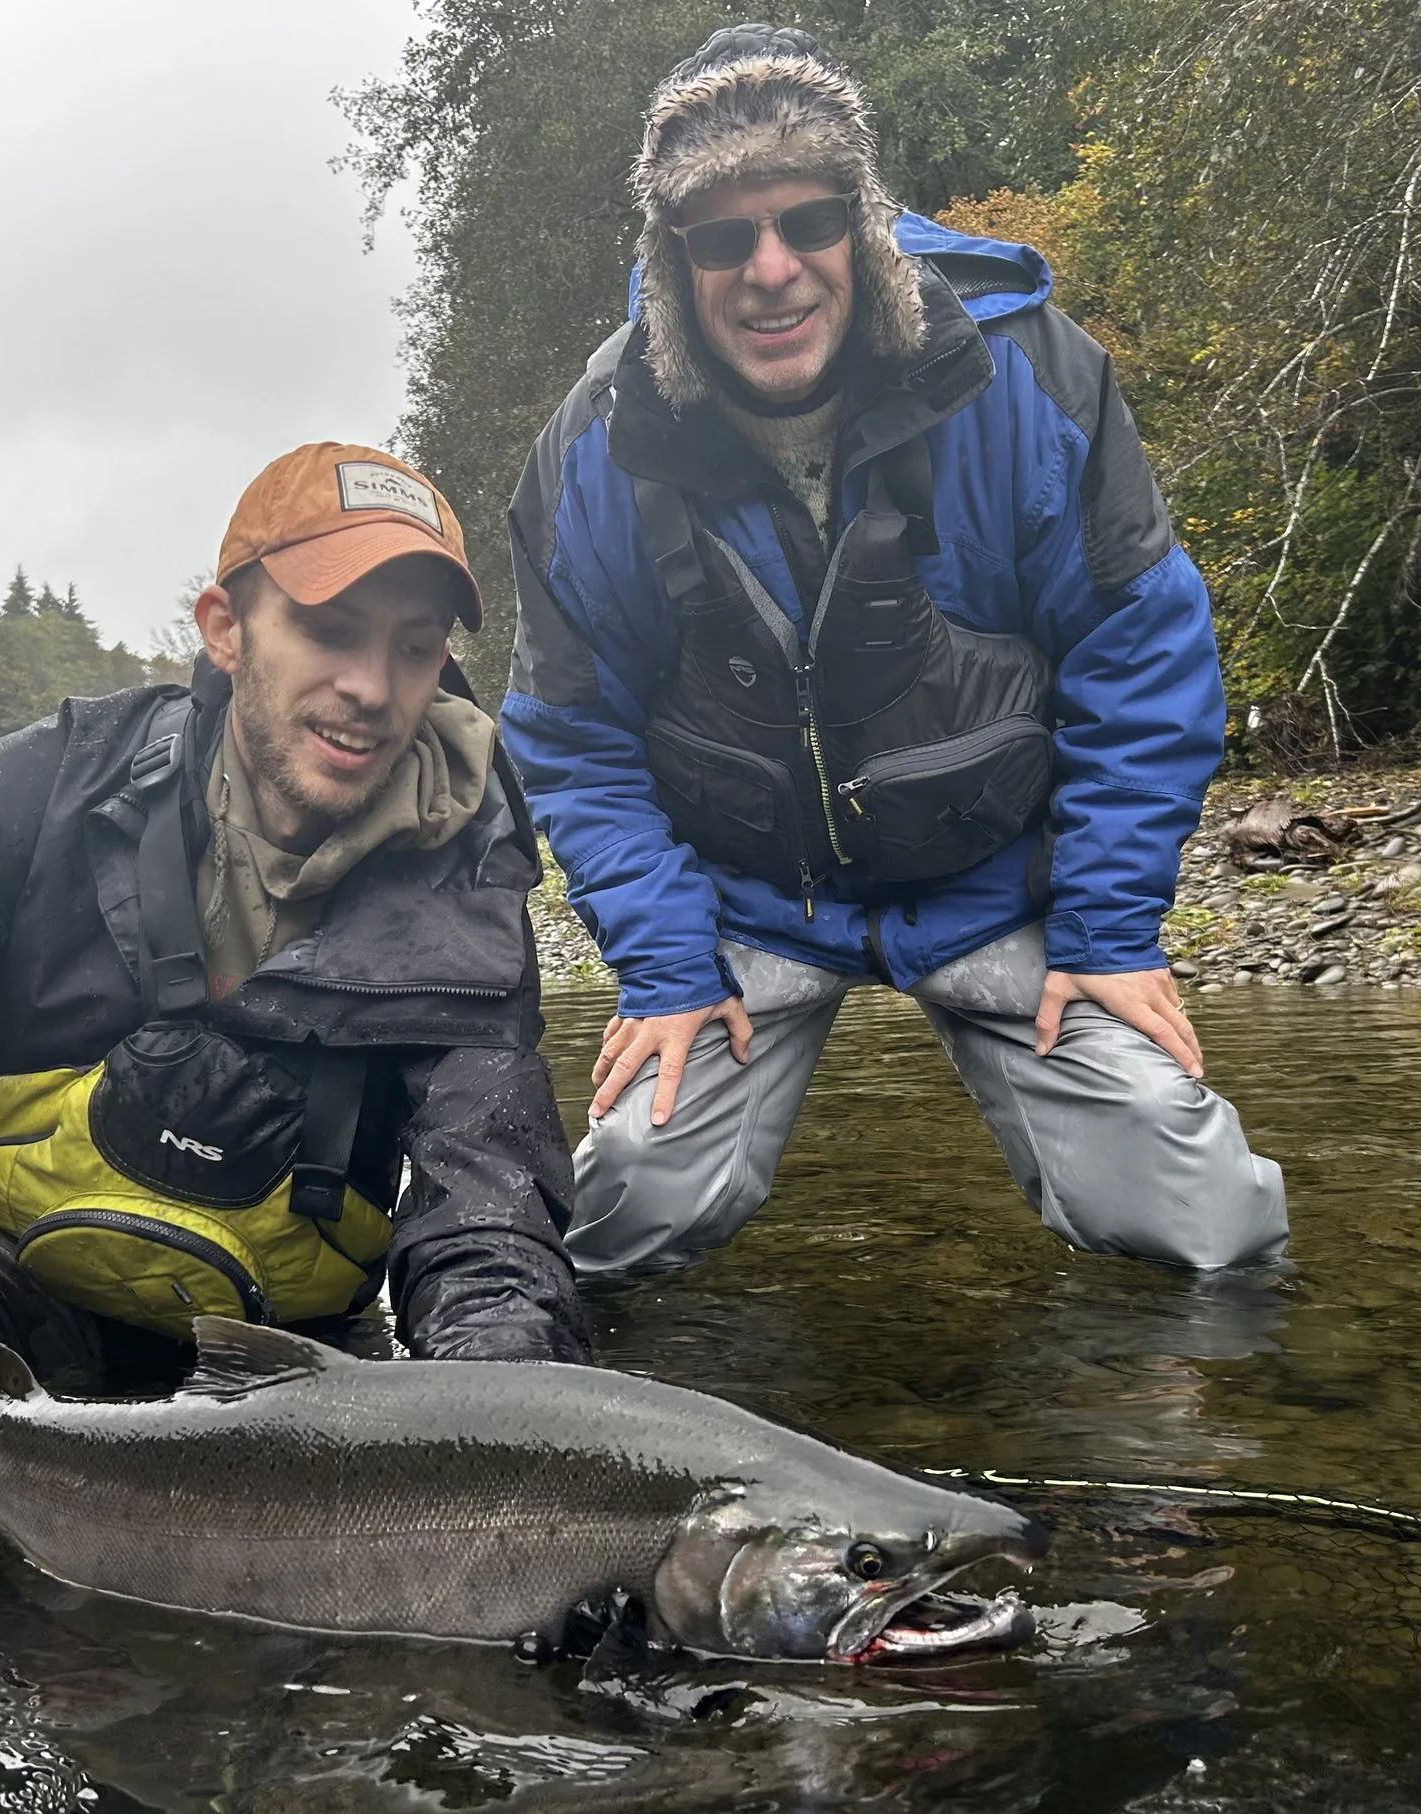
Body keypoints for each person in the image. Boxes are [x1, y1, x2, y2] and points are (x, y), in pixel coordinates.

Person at [501, 25, 1289, 1277]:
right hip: (746, 905)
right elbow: (570, 739)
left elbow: (1137, 659)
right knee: (618, 1218)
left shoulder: (1025, 371)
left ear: (862, 221)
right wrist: (659, 966)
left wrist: (1107, 933)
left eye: (807, 220)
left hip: (1000, 883)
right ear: (673, 257)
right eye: (721, 237)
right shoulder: (596, 446)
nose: (771, 269)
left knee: (1207, 1223)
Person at [0, 442, 589, 1509]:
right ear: (223, 628)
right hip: (11, 1294)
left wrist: (515, 1470)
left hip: (290, 1359)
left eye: (414, 646)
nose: (369, 687)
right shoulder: (46, 784)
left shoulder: (467, 880)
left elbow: (486, 1217)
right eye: (329, 629)